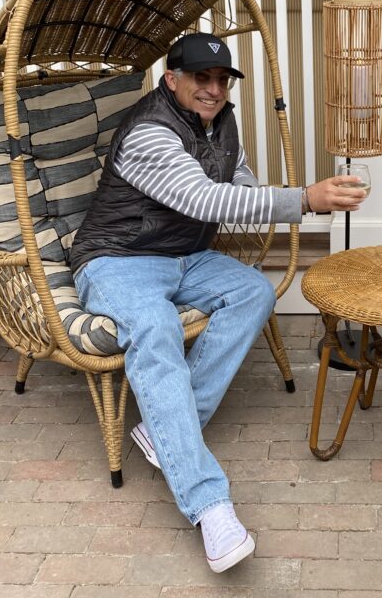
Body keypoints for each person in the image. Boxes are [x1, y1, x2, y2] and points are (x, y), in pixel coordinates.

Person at [69, 32, 366, 572]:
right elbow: (206, 198)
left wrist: (267, 194)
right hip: (117, 259)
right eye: (200, 78)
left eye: (221, 80)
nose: (212, 89)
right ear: (171, 79)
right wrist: (304, 199)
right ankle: (210, 506)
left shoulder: (221, 121)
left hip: (184, 256)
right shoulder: (148, 132)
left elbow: (238, 181)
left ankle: (165, 427)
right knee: (155, 328)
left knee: (253, 291)